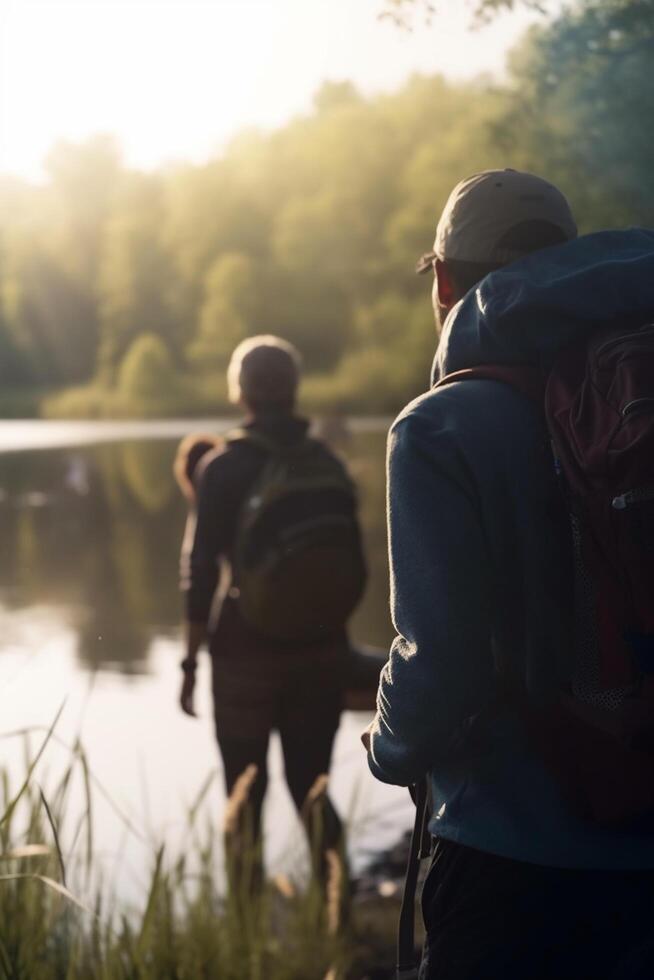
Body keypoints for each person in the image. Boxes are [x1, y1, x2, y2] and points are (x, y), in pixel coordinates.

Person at [363, 170, 654, 978]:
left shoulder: (443, 425)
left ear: (446, 282)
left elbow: (440, 667)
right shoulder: (639, 397)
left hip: (509, 858)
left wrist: (389, 749)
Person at [178, 335, 361, 895]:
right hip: (322, 648)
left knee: (244, 793)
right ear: (295, 389)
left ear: (240, 393)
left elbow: (201, 570)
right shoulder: (327, 462)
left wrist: (189, 662)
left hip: (244, 655)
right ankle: (341, 910)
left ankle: (245, 924)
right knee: (313, 784)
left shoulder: (224, 466)